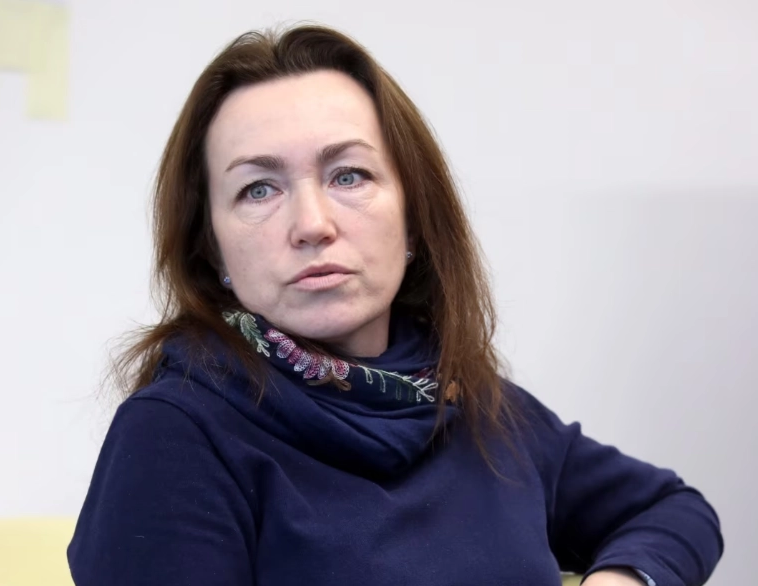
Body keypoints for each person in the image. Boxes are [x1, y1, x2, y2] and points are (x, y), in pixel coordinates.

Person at [67, 24, 723, 586]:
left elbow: (672, 510)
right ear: (212, 250)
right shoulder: (175, 434)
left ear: (412, 219)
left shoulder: (477, 405)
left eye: (348, 175)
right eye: (259, 189)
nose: (312, 223)